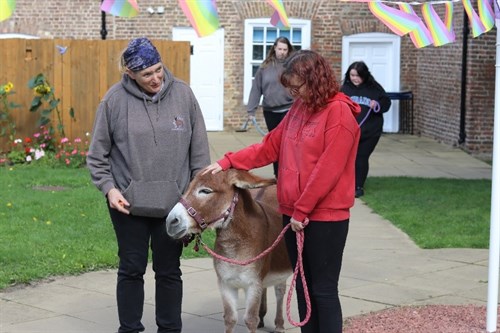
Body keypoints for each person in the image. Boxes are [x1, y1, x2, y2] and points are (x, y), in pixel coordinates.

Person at [203, 50, 360, 333]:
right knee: (302, 286)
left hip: (324, 218)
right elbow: (268, 147)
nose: (294, 94)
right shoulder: (299, 110)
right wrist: (227, 162)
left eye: (298, 87)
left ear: (316, 80)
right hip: (293, 215)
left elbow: (327, 170)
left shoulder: (339, 113)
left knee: (322, 289)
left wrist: (302, 211)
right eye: (290, 88)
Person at [86, 37, 210, 333]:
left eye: (158, 70)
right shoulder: (113, 101)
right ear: (130, 73)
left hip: (174, 207)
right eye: (146, 74)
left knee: (169, 271)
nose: (155, 78)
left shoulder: (184, 95)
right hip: (128, 206)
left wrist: (195, 202)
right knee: (131, 269)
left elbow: (200, 156)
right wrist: (110, 189)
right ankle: (129, 329)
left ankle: (170, 329)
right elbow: (97, 155)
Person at [341, 61, 392, 198]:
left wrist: (378, 105)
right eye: (352, 75)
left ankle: (358, 187)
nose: (355, 79)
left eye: (358, 76)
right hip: (350, 132)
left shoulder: (374, 88)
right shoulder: (344, 89)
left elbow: (386, 104)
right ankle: (347, 184)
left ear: (364, 76)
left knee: (361, 157)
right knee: (348, 158)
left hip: (370, 132)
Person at [247, 36, 295, 177]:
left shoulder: (292, 67)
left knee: (288, 144)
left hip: (289, 110)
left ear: (288, 50)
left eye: (285, 49)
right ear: (274, 48)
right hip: (270, 112)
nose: (282, 52)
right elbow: (256, 89)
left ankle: (289, 173)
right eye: (279, 49)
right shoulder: (265, 67)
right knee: (275, 144)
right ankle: (278, 175)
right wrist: (251, 110)